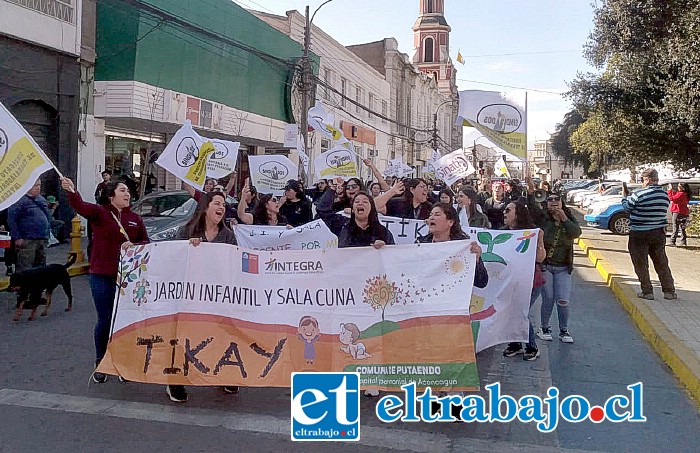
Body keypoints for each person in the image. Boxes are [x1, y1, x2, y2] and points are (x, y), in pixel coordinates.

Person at [61, 176, 149, 383]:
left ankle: (123, 361)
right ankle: (101, 361)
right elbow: (80, 206)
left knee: (125, 321)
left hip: (128, 277)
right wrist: (71, 191)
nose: (127, 194)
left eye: (128, 191)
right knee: (106, 319)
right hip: (102, 274)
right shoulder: (100, 213)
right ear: (111, 196)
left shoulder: (135, 218)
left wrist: (135, 246)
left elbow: (145, 241)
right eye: (122, 191)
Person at [166, 191, 238, 403]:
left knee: (221, 335)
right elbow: (172, 258)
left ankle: (224, 374)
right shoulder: (186, 231)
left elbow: (235, 263)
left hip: (217, 297)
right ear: (205, 207)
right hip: (189, 297)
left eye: (224, 205)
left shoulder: (228, 235)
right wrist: (188, 248)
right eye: (217, 203)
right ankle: (175, 381)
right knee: (185, 337)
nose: (222, 207)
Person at [621, 169, 677, 300]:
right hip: (658, 233)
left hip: (639, 233)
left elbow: (627, 208)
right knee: (661, 261)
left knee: (641, 263)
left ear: (647, 179)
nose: (641, 183)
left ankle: (647, 291)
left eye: (642, 180)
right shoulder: (664, 195)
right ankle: (669, 291)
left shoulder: (638, 194)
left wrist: (624, 198)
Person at [501, 201, 546, 361]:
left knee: (520, 312)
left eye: (508, 210)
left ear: (518, 214)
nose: (504, 213)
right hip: (510, 282)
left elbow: (540, 258)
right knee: (512, 311)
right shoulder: (502, 235)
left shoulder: (531, 234)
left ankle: (532, 346)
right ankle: (515, 344)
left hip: (530, 282)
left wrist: (539, 240)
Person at [534, 193, 581, 344]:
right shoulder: (543, 219)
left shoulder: (568, 218)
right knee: (548, 298)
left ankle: (564, 329)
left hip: (563, 267)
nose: (554, 202)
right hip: (546, 266)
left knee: (562, 299)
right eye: (550, 200)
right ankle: (544, 327)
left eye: (557, 199)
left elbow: (576, 233)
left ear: (562, 202)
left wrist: (564, 219)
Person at [8, 179, 51, 273]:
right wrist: (17, 237)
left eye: (39, 185)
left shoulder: (41, 199)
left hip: (41, 238)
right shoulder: (19, 201)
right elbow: (12, 220)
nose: (38, 188)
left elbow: (48, 216)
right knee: (25, 267)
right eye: (35, 185)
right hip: (27, 239)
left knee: (41, 267)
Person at [668, 182, 692, 247]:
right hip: (684, 212)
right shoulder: (685, 194)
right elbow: (675, 196)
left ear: (683, 188)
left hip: (677, 212)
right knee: (682, 228)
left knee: (675, 227)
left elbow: (672, 198)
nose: (677, 187)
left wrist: (670, 190)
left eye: (679, 186)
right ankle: (683, 241)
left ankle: (672, 241)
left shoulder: (681, 194)